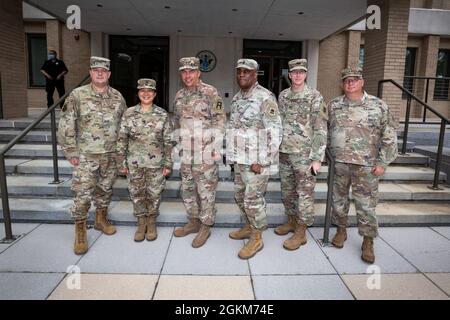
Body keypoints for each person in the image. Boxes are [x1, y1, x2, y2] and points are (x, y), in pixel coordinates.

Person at [328, 66, 398, 263]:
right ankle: (341, 231)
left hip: (366, 165)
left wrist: (383, 162)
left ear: (362, 82)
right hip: (339, 164)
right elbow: (324, 132)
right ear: (342, 84)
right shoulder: (333, 105)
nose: (350, 83)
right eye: (346, 80)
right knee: (338, 201)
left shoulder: (378, 105)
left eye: (354, 79)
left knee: (366, 205)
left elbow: (389, 135)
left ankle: (368, 241)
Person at [57, 56, 127, 255]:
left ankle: (101, 220)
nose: (99, 73)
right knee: (83, 194)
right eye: (96, 70)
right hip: (87, 154)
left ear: (109, 74)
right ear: (90, 73)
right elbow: (66, 123)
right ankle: (80, 231)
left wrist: (122, 152)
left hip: (110, 154)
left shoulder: (117, 97)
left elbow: (124, 126)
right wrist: (70, 150)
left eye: (103, 71)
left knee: (105, 189)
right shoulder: (77, 95)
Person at [227, 58, 282, 259]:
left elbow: (275, 131)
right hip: (240, 160)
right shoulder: (237, 98)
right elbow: (233, 127)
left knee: (253, 199)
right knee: (240, 196)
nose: (242, 74)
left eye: (247, 71)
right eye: (239, 71)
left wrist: (264, 160)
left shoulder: (265, 97)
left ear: (255, 74)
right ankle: (249, 226)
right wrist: (231, 156)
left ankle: (257, 238)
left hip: (256, 162)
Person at [172, 57, 225, 248]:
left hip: (205, 153)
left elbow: (220, 121)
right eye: (184, 71)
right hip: (186, 153)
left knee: (205, 191)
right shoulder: (178, 95)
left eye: (191, 71)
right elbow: (177, 122)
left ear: (198, 72)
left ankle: (205, 224)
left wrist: (214, 148)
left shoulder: (211, 92)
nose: (187, 75)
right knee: (187, 190)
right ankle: (193, 221)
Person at [275, 59, 327, 250]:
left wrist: (317, 158)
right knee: (287, 192)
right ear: (289, 74)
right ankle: (291, 220)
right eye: (294, 72)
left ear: (306, 74)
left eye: (301, 72)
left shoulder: (315, 96)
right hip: (284, 152)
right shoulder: (283, 95)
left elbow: (320, 127)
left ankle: (301, 231)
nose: (297, 75)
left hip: (305, 155)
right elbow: (278, 123)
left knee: (304, 194)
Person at [116, 79, 174, 242]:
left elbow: (168, 141)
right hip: (134, 163)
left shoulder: (162, 114)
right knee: (137, 193)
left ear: (155, 94)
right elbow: (122, 139)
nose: (146, 94)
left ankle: (151, 222)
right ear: (138, 93)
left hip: (156, 163)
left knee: (154, 194)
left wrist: (168, 164)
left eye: (150, 91)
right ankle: (141, 223)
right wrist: (121, 162)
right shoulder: (129, 113)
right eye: (142, 90)